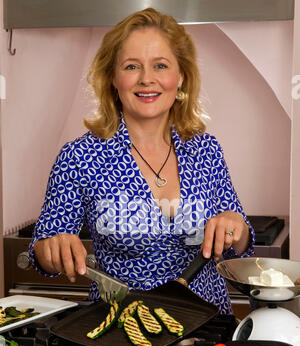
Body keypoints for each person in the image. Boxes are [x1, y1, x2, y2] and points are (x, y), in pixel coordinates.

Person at [29, 8, 254, 314]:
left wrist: (235, 225)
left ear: (181, 77)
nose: (147, 79)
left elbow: (240, 242)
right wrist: (52, 247)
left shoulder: (206, 150)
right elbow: (43, 250)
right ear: (113, 77)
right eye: (132, 66)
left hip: (207, 330)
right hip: (119, 330)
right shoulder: (79, 157)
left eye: (160, 65)